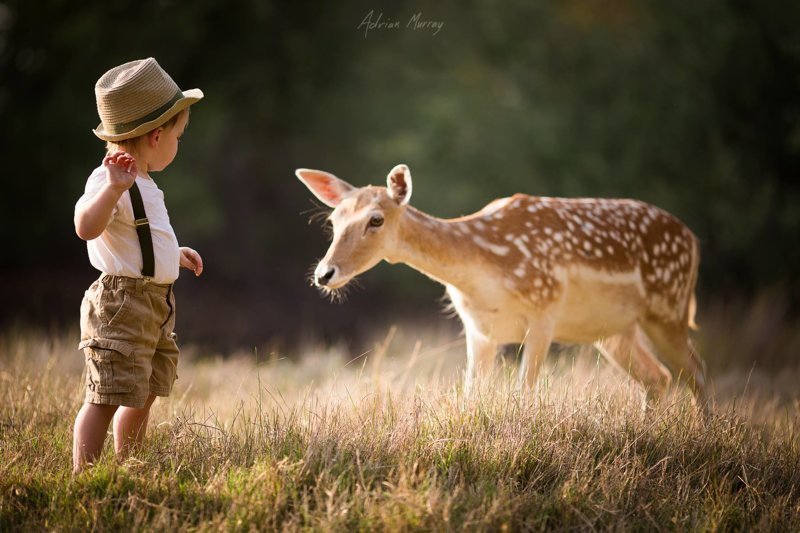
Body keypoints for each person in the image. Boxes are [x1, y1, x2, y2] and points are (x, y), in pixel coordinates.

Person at [72, 57, 204, 473]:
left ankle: (129, 463)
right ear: (156, 135)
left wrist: (173, 256)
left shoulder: (145, 181)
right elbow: (85, 227)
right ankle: (85, 474)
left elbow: (140, 238)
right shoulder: (109, 179)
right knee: (107, 395)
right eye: (179, 136)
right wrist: (112, 190)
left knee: (144, 390)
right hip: (121, 306)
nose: (179, 144)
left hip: (156, 304)